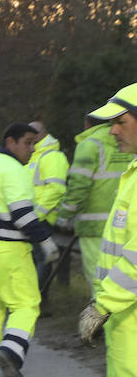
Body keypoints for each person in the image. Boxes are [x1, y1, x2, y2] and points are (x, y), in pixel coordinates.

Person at [70, 83, 137, 377]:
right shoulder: (132, 171)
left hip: (126, 312)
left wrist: (103, 304)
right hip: (125, 321)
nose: (112, 129)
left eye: (121, 120)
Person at [0, 122, 59, 377]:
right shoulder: (15, 171)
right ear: (11, 142)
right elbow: (21, 214)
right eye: (27, 142)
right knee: (26, 304)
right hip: (9, 247)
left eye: (34, 143)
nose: (32, 149)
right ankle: (10, 351)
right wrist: (45, 239)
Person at [56, 112, 136, 295]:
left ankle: (97, 322)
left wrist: (64, 216)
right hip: (125, 225)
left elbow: (78, 187)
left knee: (99, 283)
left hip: (94, 227)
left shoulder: (90, 145)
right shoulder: (128, 143)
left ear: (86, 125)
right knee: (124, 282)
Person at [25, 120, 69, 284]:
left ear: (39, 135)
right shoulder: (34, 155)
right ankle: (33, 298)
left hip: (41, 218)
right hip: (30, 217)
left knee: (42, 257)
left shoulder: (52, 156)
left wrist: (37, 215)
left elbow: (56, 189)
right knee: (33, 257)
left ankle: (38, 298)